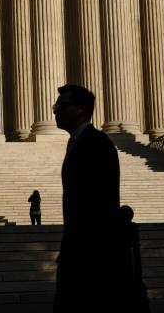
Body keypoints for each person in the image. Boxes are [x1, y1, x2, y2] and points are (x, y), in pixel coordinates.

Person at [52, 84, 121, 310]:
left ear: (81, 109)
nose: (55, 109)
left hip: (90, 256)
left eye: (62, 105)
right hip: (79, 250)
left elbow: (100, 204)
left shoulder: (96, 144)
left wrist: (80, 252)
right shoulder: (79, 142)